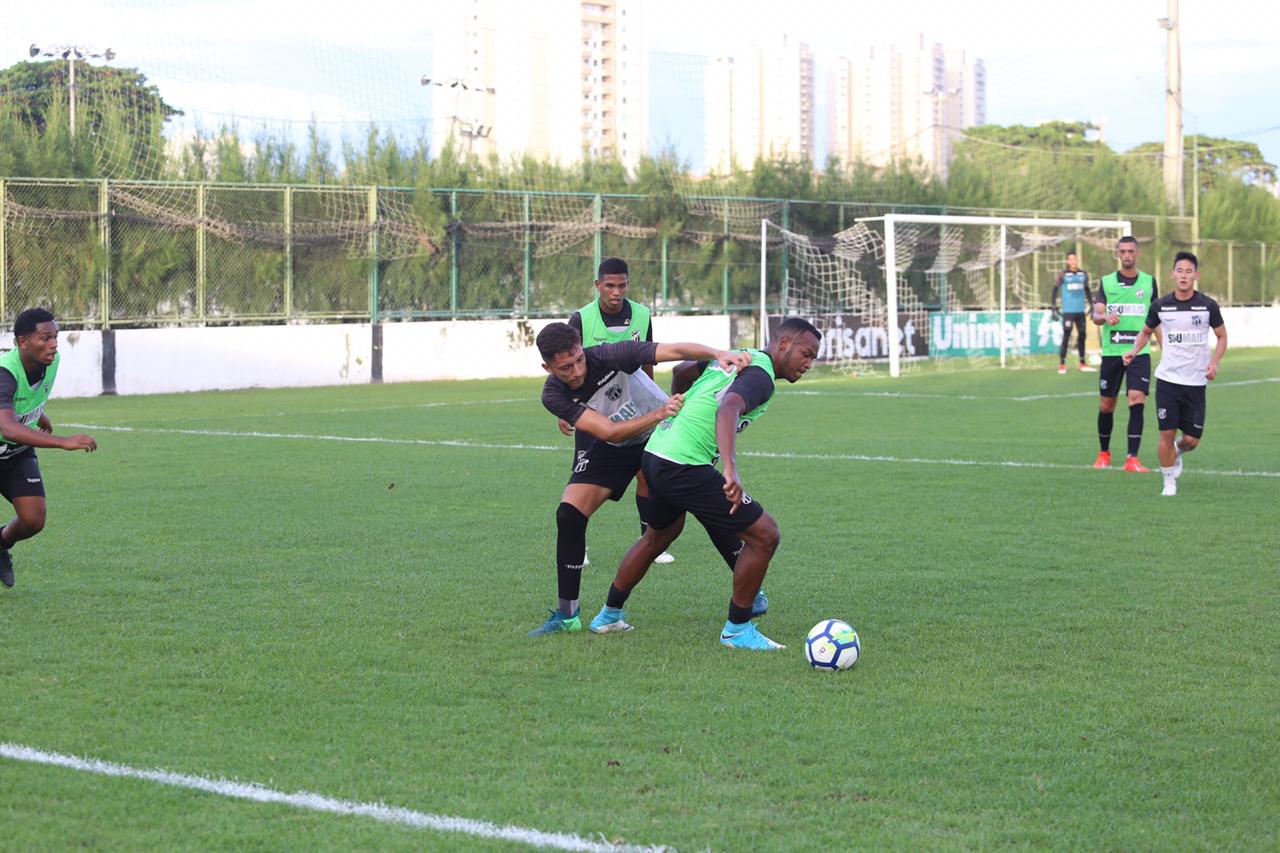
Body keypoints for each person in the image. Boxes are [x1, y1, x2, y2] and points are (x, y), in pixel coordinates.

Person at [588, 317, 822, 651]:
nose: (809, 363)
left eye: (813, 358)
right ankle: (737, 630)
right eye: (806, 353)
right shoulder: (760, 375)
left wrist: (680, 405)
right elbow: (727, 408)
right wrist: (731, 469)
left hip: (657, 452)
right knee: (765, 534)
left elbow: (684, 369)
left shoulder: (739, 356)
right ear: (784, 343)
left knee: (658, 536)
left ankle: (608, 616)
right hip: (683, 464)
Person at [529, 322, 752, 637]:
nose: (577, 370)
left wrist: (717, 353)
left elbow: (672, 350)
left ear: (582, 348)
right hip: (616, 443)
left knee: (696, 506)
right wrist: (660, 412)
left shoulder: (609, 355)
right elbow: (607, 431)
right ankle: (567, 615)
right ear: (547, 367)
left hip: (662, 440)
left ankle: (750, 593)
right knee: (569, 514)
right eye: (566, 367)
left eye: (579, 359)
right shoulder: (553, 393)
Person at [563, 257, 676, 565]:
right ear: (597, 285)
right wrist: (566, 411)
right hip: (594, 412)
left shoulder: (641, 314)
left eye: (622, 285)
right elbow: (566, 365)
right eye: (609, 285)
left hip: (636, 408)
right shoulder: (582, 319)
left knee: (647, 473)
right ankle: (579, 547)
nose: (616, 291)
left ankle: (650, 540)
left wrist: (654, 399)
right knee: (583, 478)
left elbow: (649, 359)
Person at [0, 308, 98, 589]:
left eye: (55, 337)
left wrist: (37, 414)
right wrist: (64, 442)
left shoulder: (51, 361)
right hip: (10, 438)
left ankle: (0, 544)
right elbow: (7, 426)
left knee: (33, 520)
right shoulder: (4, 373)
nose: (54, 344)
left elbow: (24, 397)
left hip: (16, 452)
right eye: (45, 338)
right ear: (22, 342)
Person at [1122, 252, 1227, 496]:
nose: (1183, 275)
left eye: (1189, 271)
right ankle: (1169, 481)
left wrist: (1215, 362)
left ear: (1196, 276)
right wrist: (1133, 351)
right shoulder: (1160, 306)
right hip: (1168, 379)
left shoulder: (1208, 306)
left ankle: (1178, 451)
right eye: (1179, 270)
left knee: (1191, 440)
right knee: (1166, 433)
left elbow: (1222, 336)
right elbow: (1146, 331)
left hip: (1196, 381)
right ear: (1173, 274)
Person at [1091, 235, 1158, 472]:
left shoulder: (1149, 282)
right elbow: (1096, 315)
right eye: (1123, 252)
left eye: (1131, 251)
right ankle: (1104, 454)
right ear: (1118, 254)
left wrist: (1165, 348)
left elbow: (1155, 319)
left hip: (1139, 352)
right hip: (1112, 352)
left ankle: (1132, 458)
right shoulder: (1107, 282)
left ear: (1137, 253)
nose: (1127, 255)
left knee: (1136, 399)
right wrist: (1105, 317)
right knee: (1107, 404)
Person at [1051, 252, 1095, 374]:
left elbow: (1087, 289)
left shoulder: (1083, 274)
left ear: (1077, 260)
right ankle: (1062, 364)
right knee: (1066, 336)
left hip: (1080, 311)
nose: (1072, 261)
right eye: (1070, 259)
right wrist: (1053, 306)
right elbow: (1055, 289)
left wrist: (1091, 305)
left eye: (1074, 259)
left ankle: (1082, 362)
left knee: (1082, 335)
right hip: (1068, 312)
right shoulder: (1063, 274)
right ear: (1067, 261)